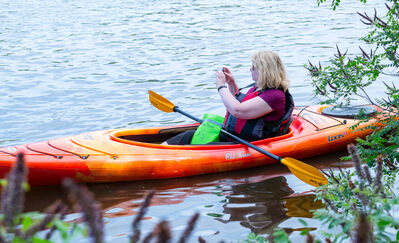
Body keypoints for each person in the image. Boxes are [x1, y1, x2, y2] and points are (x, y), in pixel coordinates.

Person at [163, 50, 294, 145]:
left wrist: (221, 86)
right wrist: (231, 83)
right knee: (188, 135)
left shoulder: (275, 96)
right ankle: (159, 150)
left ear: (264, 71)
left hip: (250, 143)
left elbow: (237, 110)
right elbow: (239, 103)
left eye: (253, 67)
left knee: (207, 147)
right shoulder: (258, 88)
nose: (250, 69)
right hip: (237, 137)